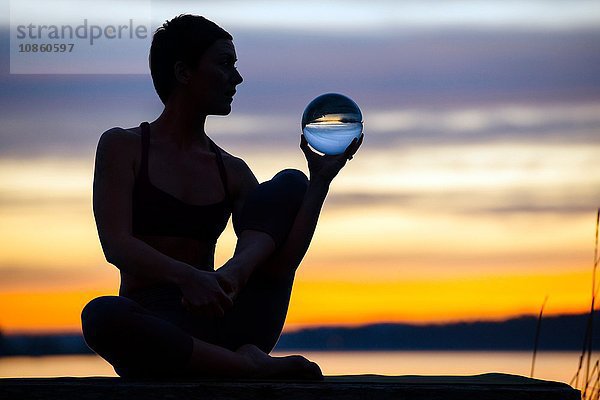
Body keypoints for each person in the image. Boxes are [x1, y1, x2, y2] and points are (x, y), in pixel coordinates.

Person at [81, 14, 362, 379]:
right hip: (158, 326)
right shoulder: (123, 147)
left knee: (292, 182)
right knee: (101, 316)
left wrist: (319, 183)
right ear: (184, 73)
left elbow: (279, 266)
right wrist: (188, 278)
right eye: (225, 64)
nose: (237, 77)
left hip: (225, 316)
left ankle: (232, 304)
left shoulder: (231, 170)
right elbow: (116, 245)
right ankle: (246, 368)